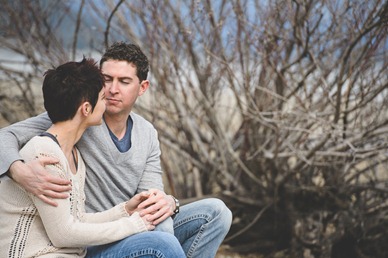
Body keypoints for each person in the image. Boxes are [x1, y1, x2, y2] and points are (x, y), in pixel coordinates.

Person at [0, 42, 232, 257]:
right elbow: (5, 135)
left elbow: (152, 197)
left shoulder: (147, 132)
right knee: (163, 243)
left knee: (216, 212)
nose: (112, 89)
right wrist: (18, 170)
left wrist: (170, 203)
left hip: (128, 226)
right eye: (107, 79)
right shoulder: (79, 114)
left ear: (142, 87)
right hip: (91, 239)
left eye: (124, 81)